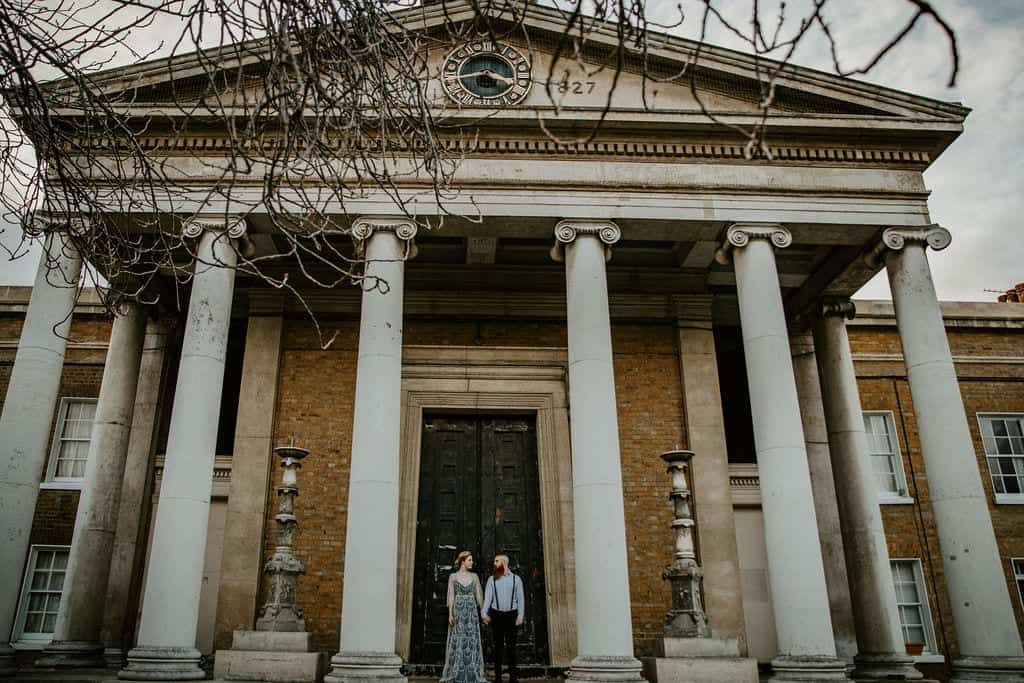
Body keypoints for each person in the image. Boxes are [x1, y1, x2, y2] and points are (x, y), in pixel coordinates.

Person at [440, 550, 487, 683]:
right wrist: (450, 614)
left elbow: (479, 596)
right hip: (458, 611)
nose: (472, 562)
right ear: (462, 561)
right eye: (470, 560)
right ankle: (456, 671)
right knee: (458, 639)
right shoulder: (453, 577)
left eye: (472, 560)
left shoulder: (475, 576)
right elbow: (451, 596)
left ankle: (472, 672)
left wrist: (483, 613)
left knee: (471, 638)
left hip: (471, 612)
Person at [481, 554, 525, 683]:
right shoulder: (491, 579)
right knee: (498, 648)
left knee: (511, 648)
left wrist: (520, 616)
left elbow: (520, 599)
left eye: (496, 561)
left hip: (512, 615)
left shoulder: (516, 579)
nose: (494, 563)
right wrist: (484, 613)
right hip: (497, 615)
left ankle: (513, 678)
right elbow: (487, 598)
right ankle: (498, 678)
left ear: (504, 562)